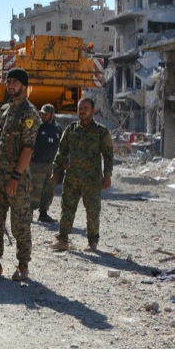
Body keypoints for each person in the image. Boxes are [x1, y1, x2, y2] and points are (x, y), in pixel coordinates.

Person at [0, 67, 38, 282]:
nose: (10, 85)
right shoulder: (4, 110)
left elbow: (28, 149)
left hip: (16, 178)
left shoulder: (29, 113)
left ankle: (23, 265)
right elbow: (0, 144)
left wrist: (15, 177)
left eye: (15, 82)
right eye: (8, 82)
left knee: (20, 221)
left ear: (24, 86)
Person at [50, 97, 114, 253]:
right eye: (80, 108)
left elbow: (108, 154)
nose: (82, 111)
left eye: (86, 108)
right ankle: (63, 239)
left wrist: (107, 175)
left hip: (92, 180)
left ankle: (92, 241)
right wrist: (55, 170)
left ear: (93, 111)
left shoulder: (101, 131)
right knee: (67, 208)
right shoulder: (71, 130)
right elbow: (61, 151)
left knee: (92, 210)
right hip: (72, 177)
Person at [29, 103, 63, 223]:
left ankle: (43, 213)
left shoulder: (58, 128)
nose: (43, 116)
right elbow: (29, 142)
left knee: (48, 190)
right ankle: (28, 214)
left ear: (52, 115)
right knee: (34, 189)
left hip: (51, 165)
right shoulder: (37, 127)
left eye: (46, 114)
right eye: (42, 114)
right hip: (37, 164)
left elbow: (62, 146)